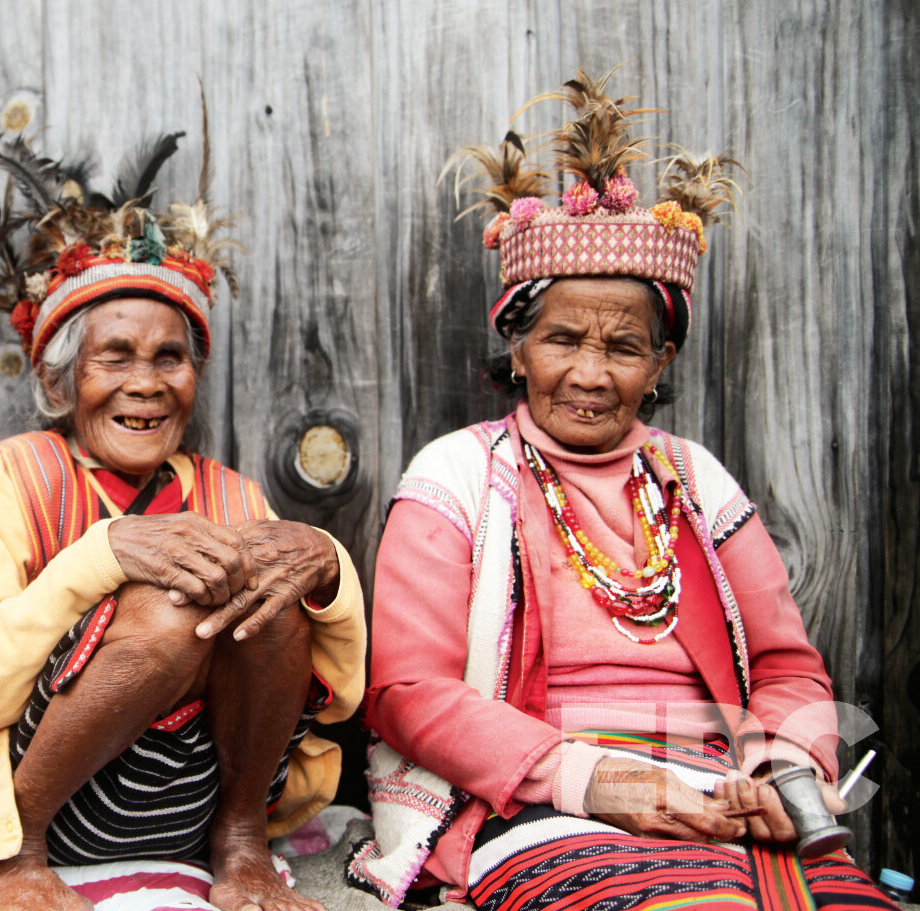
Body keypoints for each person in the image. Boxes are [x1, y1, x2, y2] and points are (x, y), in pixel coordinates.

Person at [347, 71, 898, 911]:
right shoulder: (455, 474)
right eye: (562, 338)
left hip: (718, 785)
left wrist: (782, 768)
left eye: (625, 347)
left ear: (661, 363)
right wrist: (599, 779)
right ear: (518, 348)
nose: (591, 374)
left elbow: (788, 665)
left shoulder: (696, 476)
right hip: (530, 791)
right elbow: (405, 692)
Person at [0, 117, 367, 911]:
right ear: (60, 384)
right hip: (36, 799)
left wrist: (323, 557)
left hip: (190, 805)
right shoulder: (12, 478)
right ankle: (10, 858)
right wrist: (103, 554)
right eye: (114, 356)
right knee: (167, 609)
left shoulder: (227, 491)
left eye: (170, 358)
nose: (147, 382)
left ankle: (244, 845)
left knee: (270, 584)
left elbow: (339, 690)